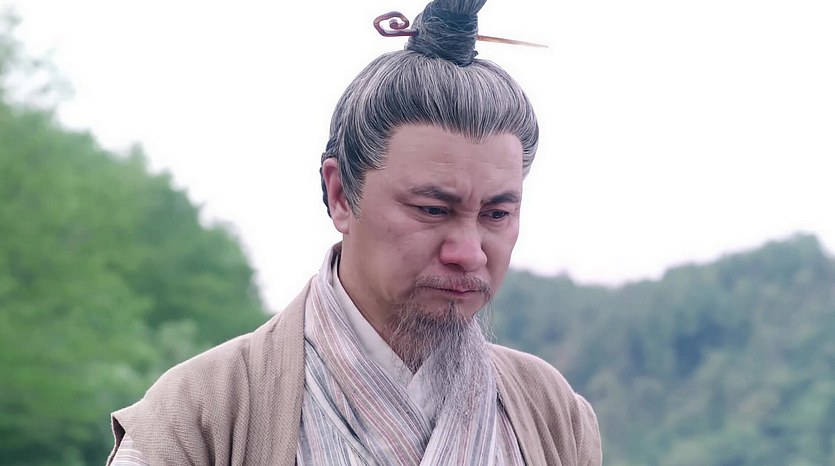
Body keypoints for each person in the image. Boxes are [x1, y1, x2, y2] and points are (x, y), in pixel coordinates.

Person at [107, 0, 601, 464]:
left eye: (496, 215)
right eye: (432, 209)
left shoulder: (552, 414)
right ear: (341, 193)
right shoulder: (198, 415)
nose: (469, 253)